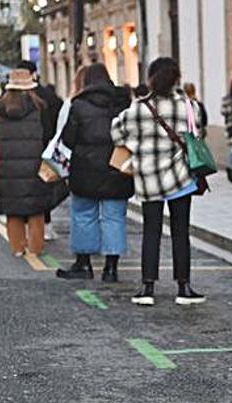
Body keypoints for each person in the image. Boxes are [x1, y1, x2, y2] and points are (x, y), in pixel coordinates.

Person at [111, 57, 206, 306]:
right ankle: (183, 287)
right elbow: (197, 134)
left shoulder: (137, 109)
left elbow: (115, 132)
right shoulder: (188, 106)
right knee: (180, 232)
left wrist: (137, 145)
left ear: (150, 79)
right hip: (180, 178)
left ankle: (147, 287)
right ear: (176, 79)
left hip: (149, 178)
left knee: (150, 232)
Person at [56, 63, 134, 282]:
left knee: (83, 215)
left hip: (85, 170)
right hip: (117, 169)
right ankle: (111, 268)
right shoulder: (123, 103)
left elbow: (68, 139)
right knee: (114, 218)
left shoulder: (79, 104)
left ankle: (84, 264)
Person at [0, 69, 57, 256]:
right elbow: (48, 134)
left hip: (9, 164)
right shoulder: (39, 107)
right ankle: (36, 247)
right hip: (34, 162)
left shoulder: (1, 108)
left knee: (13, 209)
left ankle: (17, 248)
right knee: (35, 207)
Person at [17, 60, 65, 242]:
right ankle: (45, 226)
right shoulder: (48, 96)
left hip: (20, 152)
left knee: (24, 189)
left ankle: (26, 228)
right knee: (43, 188)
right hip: (45, 148)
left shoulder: (11, 97)